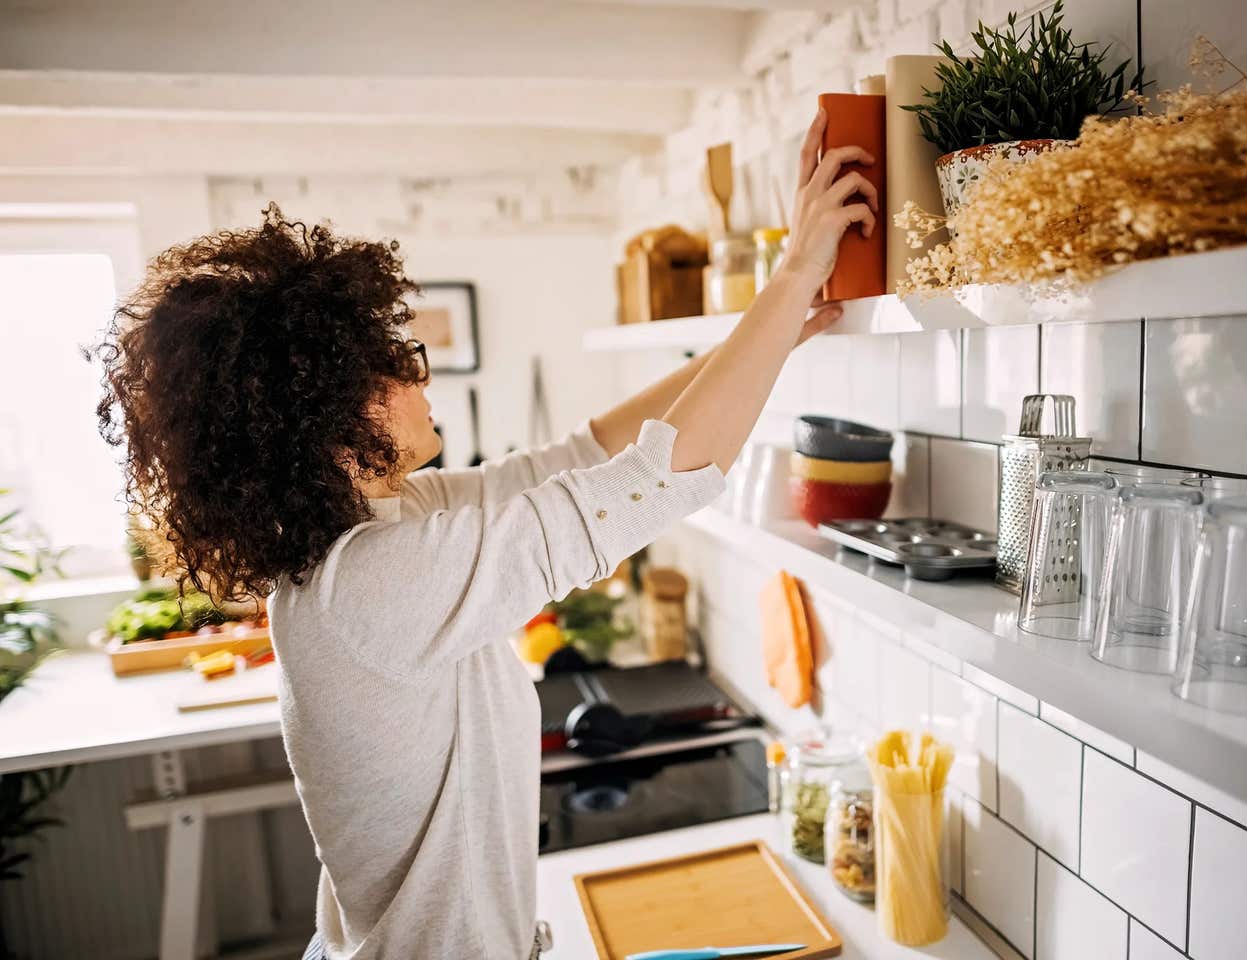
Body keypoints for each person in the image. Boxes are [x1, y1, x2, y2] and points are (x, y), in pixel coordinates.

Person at [94, 109, 877, 959]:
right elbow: (651, 481)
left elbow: (585, 456)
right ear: (323, 417)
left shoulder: (384, 526)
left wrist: (762, 338)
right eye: (385, 363)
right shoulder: (371, 581)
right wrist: (793, 271)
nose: (416, 368)